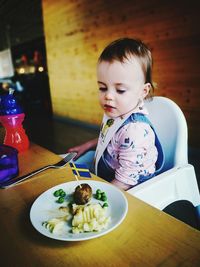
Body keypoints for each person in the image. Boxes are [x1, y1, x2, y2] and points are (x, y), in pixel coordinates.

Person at [68, 37, 164, 190]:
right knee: (67, 172)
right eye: (102, 88)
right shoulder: (117, 111)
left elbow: (125, 181)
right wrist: (87, 146)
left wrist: (97, 197)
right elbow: (109, 137)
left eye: (120, 90)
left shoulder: (135, 131)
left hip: (132, 189)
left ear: (143, 91)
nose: (108, 96)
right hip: (110, 173)